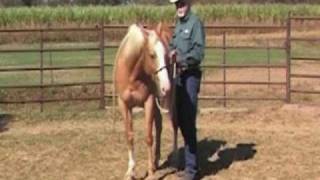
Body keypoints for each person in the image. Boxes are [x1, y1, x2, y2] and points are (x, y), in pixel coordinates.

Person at [169, 0, 206, 179]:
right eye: (176, 5)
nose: (179, 8)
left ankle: (191, 169)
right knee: (180, 120)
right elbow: (172, 46)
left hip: (190, 76)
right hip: (179, 77)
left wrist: (181, 59)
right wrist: (170, 53)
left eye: (181, 4)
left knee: (188, 119)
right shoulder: (178, 25)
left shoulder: (195, 23)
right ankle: (190, 164)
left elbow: (198, 53)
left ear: (188, 4)